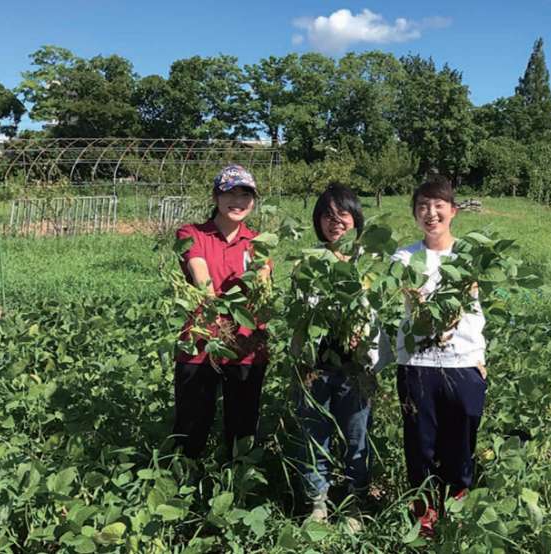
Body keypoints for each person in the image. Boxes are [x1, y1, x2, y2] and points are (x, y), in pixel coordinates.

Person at [391, 175, 488, 538]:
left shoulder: (469, 254)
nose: (430, 213)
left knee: (461, 443)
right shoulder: (404, 255)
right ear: (415, 214)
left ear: (453, 211)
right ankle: (425, 517)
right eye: (422, 207)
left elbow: (476, 304)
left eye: (438, 206)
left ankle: (458, 512)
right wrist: (423, 305)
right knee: (420, 443)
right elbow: (408, 293)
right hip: (417, 363)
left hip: (463, 361)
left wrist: (480, 355)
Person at [294, 184, 391, 526]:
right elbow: (299, 318)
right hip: (316, 365)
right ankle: (317, 504)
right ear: (318, 221)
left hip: (356, 366)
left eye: (343, 215)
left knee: (356, 437)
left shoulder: (372, 263)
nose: (335, 222)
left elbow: (381, 312)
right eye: (327, 215)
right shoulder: (308, 260)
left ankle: (354, 502)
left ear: (356, 219)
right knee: (314, 436)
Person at [172, 164, 270, 460]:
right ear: (216, 197)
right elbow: (200, 275)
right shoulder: (192, 233)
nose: (238, 201)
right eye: (230, 193)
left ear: (253, 201)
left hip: (245, 345)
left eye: (245, 195)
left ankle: (236, 487)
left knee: (242, 428)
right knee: (191, 426)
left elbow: (263, 283)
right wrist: (214, 300)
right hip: (201, 343)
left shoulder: (258, 242)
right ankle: (183, 489)